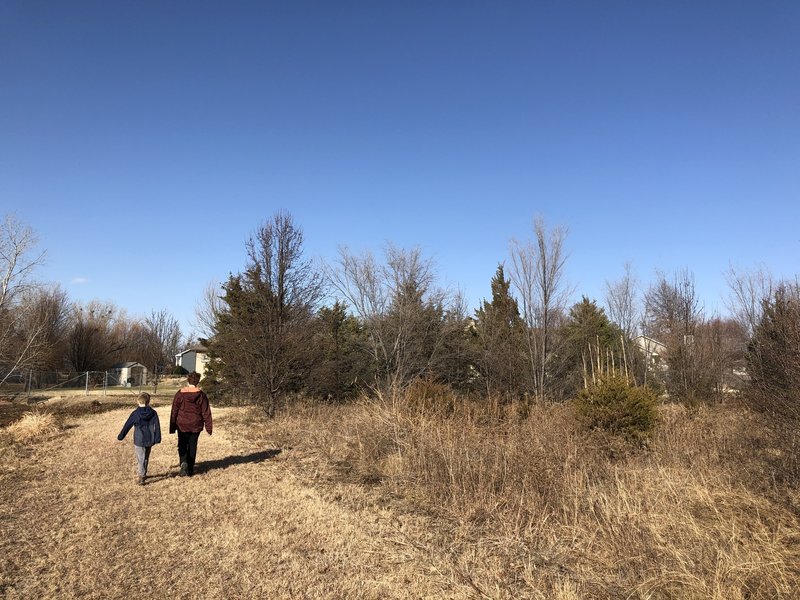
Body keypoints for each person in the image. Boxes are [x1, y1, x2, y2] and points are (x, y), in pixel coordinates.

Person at [169, 371, 212, 477]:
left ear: (188, 380)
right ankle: (190, 469)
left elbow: (174, 410)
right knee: (193, 446)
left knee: (182, 444)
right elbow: (206, 412)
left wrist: (172, 426)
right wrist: (209, 427)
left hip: (182, 424)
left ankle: (183, 462)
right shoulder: (201, 395)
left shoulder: (180, 393)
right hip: (195, 424)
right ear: (198, 381)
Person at [117, 392, 162, 485]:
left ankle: (141, 476)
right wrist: (157, 438)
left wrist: (121, 436)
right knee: (145, 457)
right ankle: (143, 473)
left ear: (138, 401)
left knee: (140, 458)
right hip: (150, 438)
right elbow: (157, 426)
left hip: (139, 439)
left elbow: (127, 425)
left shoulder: (135, 414)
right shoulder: (153, 413)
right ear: (148, 402)